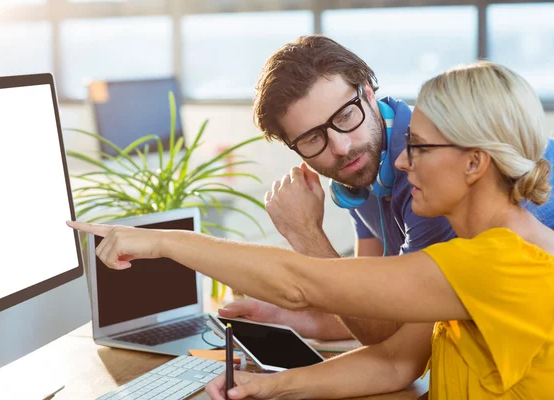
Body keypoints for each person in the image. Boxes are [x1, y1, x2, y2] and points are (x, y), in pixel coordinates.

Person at [68, 61, 554, 399]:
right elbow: (395, 362)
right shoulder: (476, 251)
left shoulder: (500, 263)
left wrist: (161, 242)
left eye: (420, 147)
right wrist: (270, 387)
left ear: (474, 163)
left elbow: (301, 284)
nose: (403, 162)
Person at [218, 35, 554, 346]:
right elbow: (369, 305)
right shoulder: (361, 165)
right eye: (312, 138)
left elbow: (391, 331)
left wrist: (305, 233)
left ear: (367, 90)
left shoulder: (434, 176)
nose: (340, 146)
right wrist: (289, 318)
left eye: (346, 115)